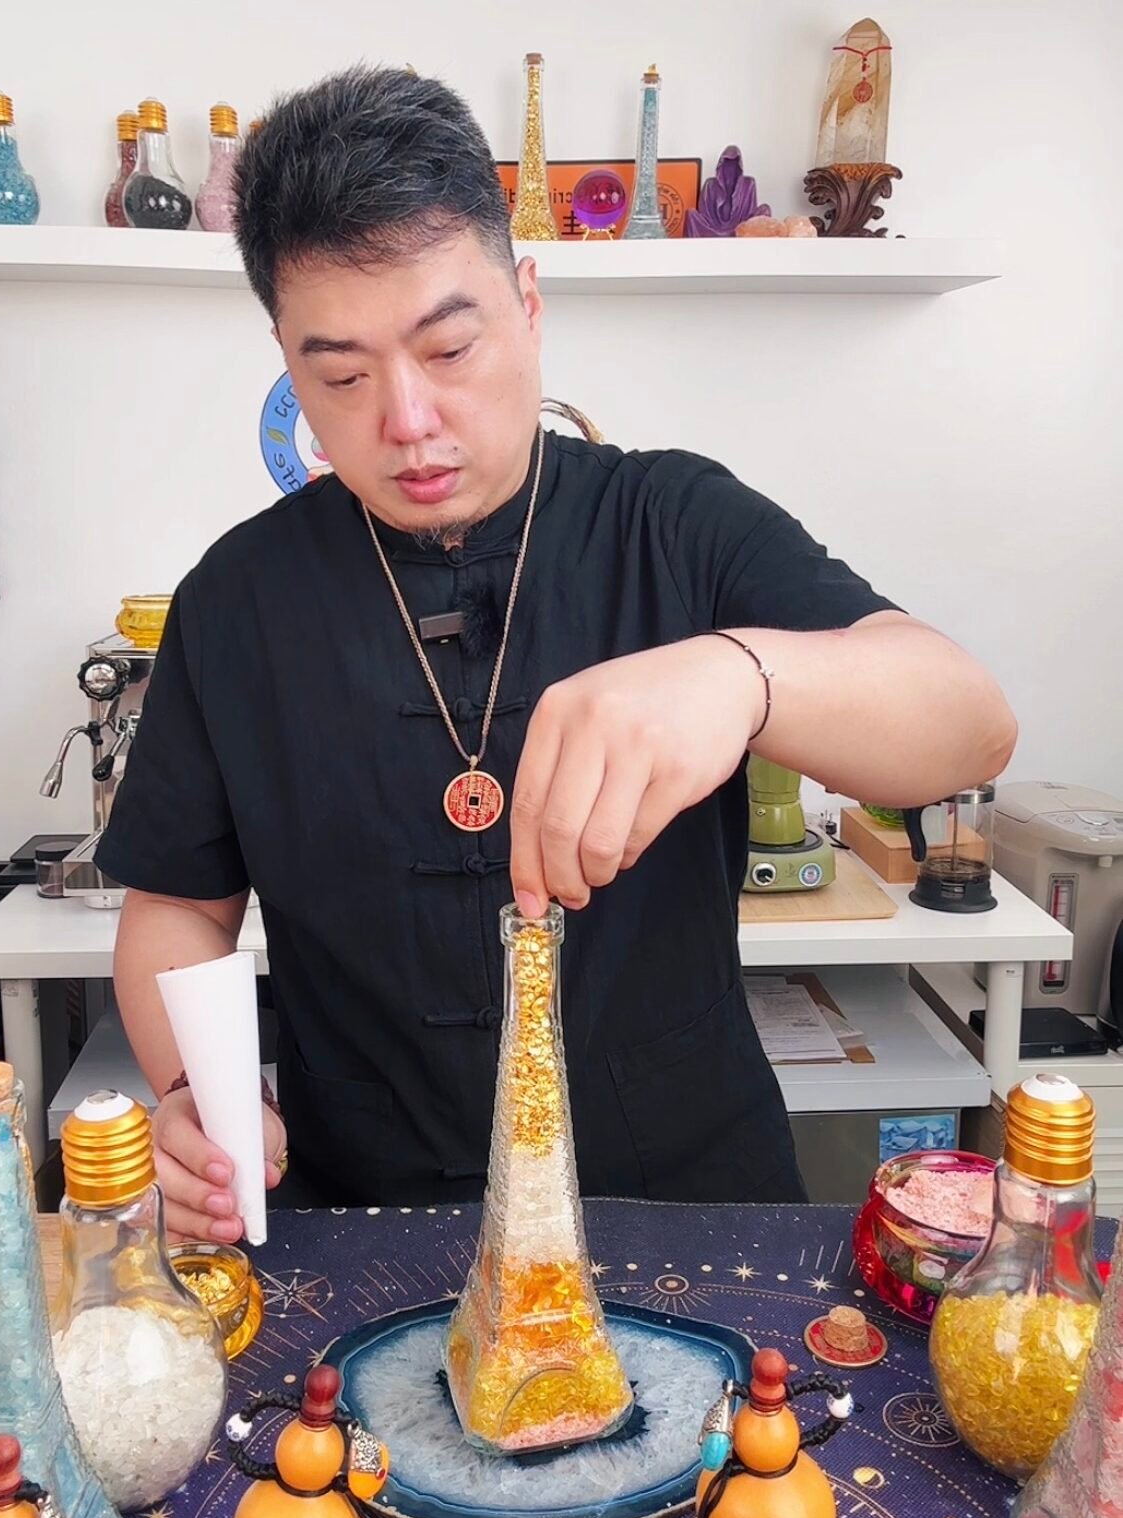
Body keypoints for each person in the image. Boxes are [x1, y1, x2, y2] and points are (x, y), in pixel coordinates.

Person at [96, 67, 1017, 1241]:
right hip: (371, 1221)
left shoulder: (673, 521)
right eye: (341, 376)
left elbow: (967, 721)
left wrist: (739, 676)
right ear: (287, 359)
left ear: (528, 304)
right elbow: (177, 903)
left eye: (449, 348)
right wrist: (192, 1090)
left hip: (685, 1214)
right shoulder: (237, 599)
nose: (407, 421)